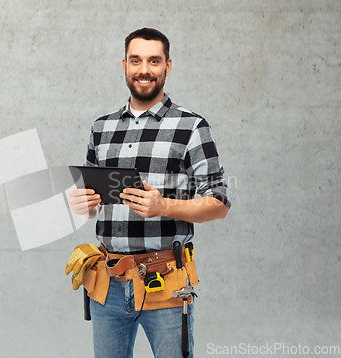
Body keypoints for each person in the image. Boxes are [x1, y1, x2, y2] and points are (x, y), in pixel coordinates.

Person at [68, 28, 234, 358]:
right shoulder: (101, 129)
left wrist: (164, 206)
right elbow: (93, 204)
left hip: (167, 283)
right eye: (136, 60)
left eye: (154, 61)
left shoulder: (192, 126)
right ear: (125, 65)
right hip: (108, 284)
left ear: (167, 66)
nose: (144, 69)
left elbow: (219, 202)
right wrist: (82, 204)